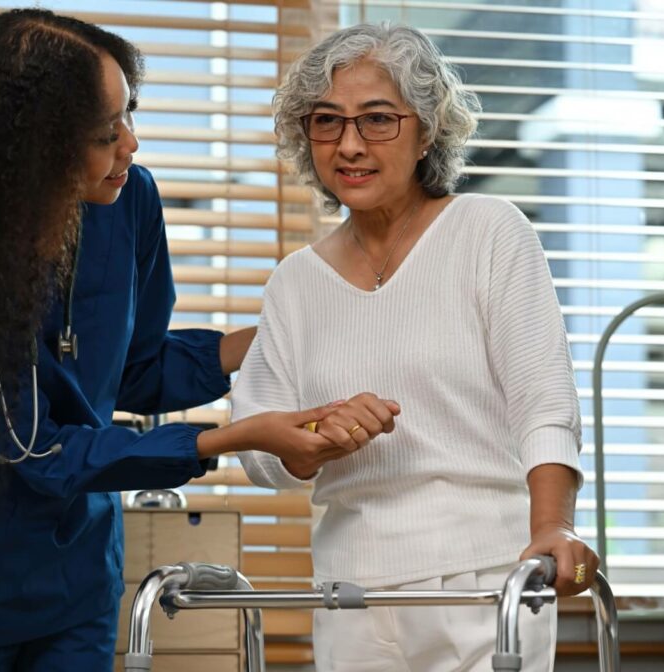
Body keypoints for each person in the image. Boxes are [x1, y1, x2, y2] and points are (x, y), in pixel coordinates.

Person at [0, 10, 399, 671]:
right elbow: (33, 448)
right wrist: (234, 437)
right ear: (35, 148)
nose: (131, 145)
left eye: (129, 115)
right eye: (106, 133)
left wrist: (284, 334)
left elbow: (138, 369)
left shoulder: (127, 199)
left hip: (77, 572)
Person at [232, 22, 599, 672]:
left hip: (486, 581)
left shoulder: (488, 232)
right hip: (350, 593)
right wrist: (314, 437)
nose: (350, 144)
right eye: (327, 121)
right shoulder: (295, 282)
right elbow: (259, 448)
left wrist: (552, 526)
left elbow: (545, 401)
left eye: (377, 119)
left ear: (427, 129)